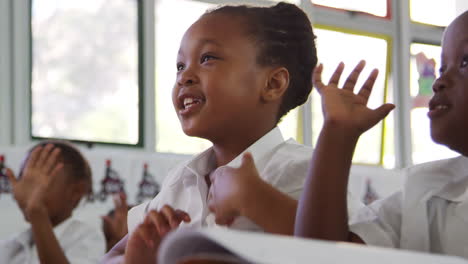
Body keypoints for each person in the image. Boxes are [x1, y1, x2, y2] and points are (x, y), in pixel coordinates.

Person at [103, 2, 359, 264]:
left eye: (207, 58)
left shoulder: (305, 171)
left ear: (272, 84)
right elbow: (112, 256)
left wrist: (255, 199)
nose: (184, 77)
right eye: (180, 66)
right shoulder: (182, 180)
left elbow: (342, 253)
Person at [295, 10, 468, 259]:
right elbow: (323, 255)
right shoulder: (426, 193)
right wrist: (338, 133)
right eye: (442, 68)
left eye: (465, 61)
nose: (439, 82)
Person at [0, 141, 105, 264]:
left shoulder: (87, 237)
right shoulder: (12, 246)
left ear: (76, 191)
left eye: (42, 182)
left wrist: (36, 211)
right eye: (25, 180)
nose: (29, 191)